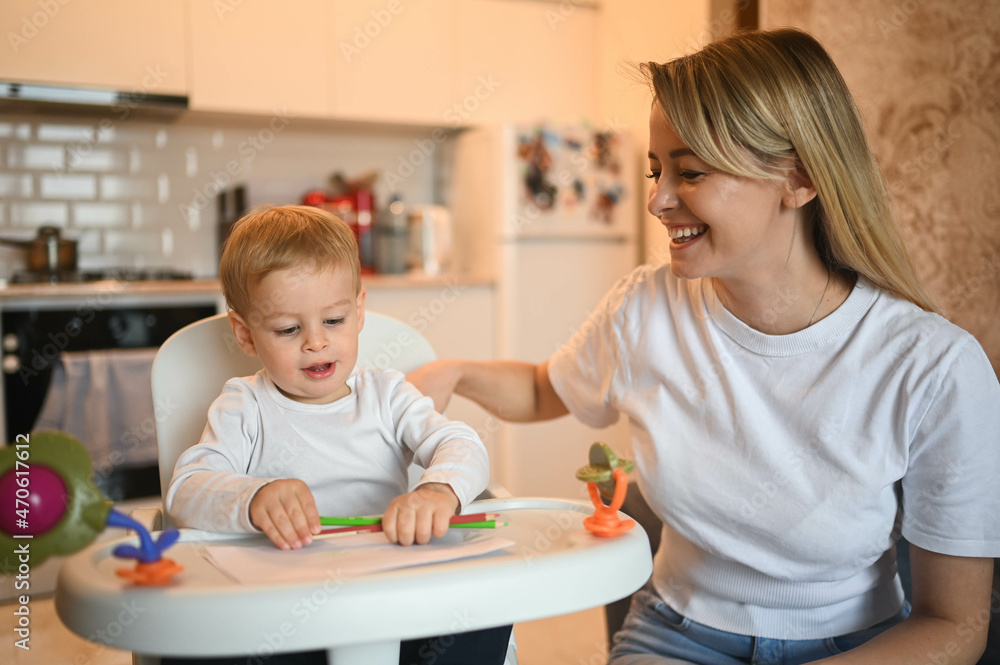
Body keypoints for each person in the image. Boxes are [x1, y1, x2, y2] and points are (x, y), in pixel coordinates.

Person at [408, 28, 1000, 665]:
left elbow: (955, 626)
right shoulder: (645, 308)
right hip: (674, 634)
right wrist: (456, 371)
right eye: (657, 171)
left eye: (690, 172)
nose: (658, 200)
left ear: (798, 177)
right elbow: (542, 389)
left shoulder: (933, 367)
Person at [166, 205, 511, 665]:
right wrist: (253, 497)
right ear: (245, 335)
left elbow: (461, 444)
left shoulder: (387, 395)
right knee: (196, 640)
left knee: (485, 604)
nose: (316, 342)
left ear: (359, 310)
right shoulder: (244, 405)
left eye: (333, 321)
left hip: (389, 594)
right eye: (289, 329)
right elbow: (186, 490)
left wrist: (438, 491)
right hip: (283, 609)